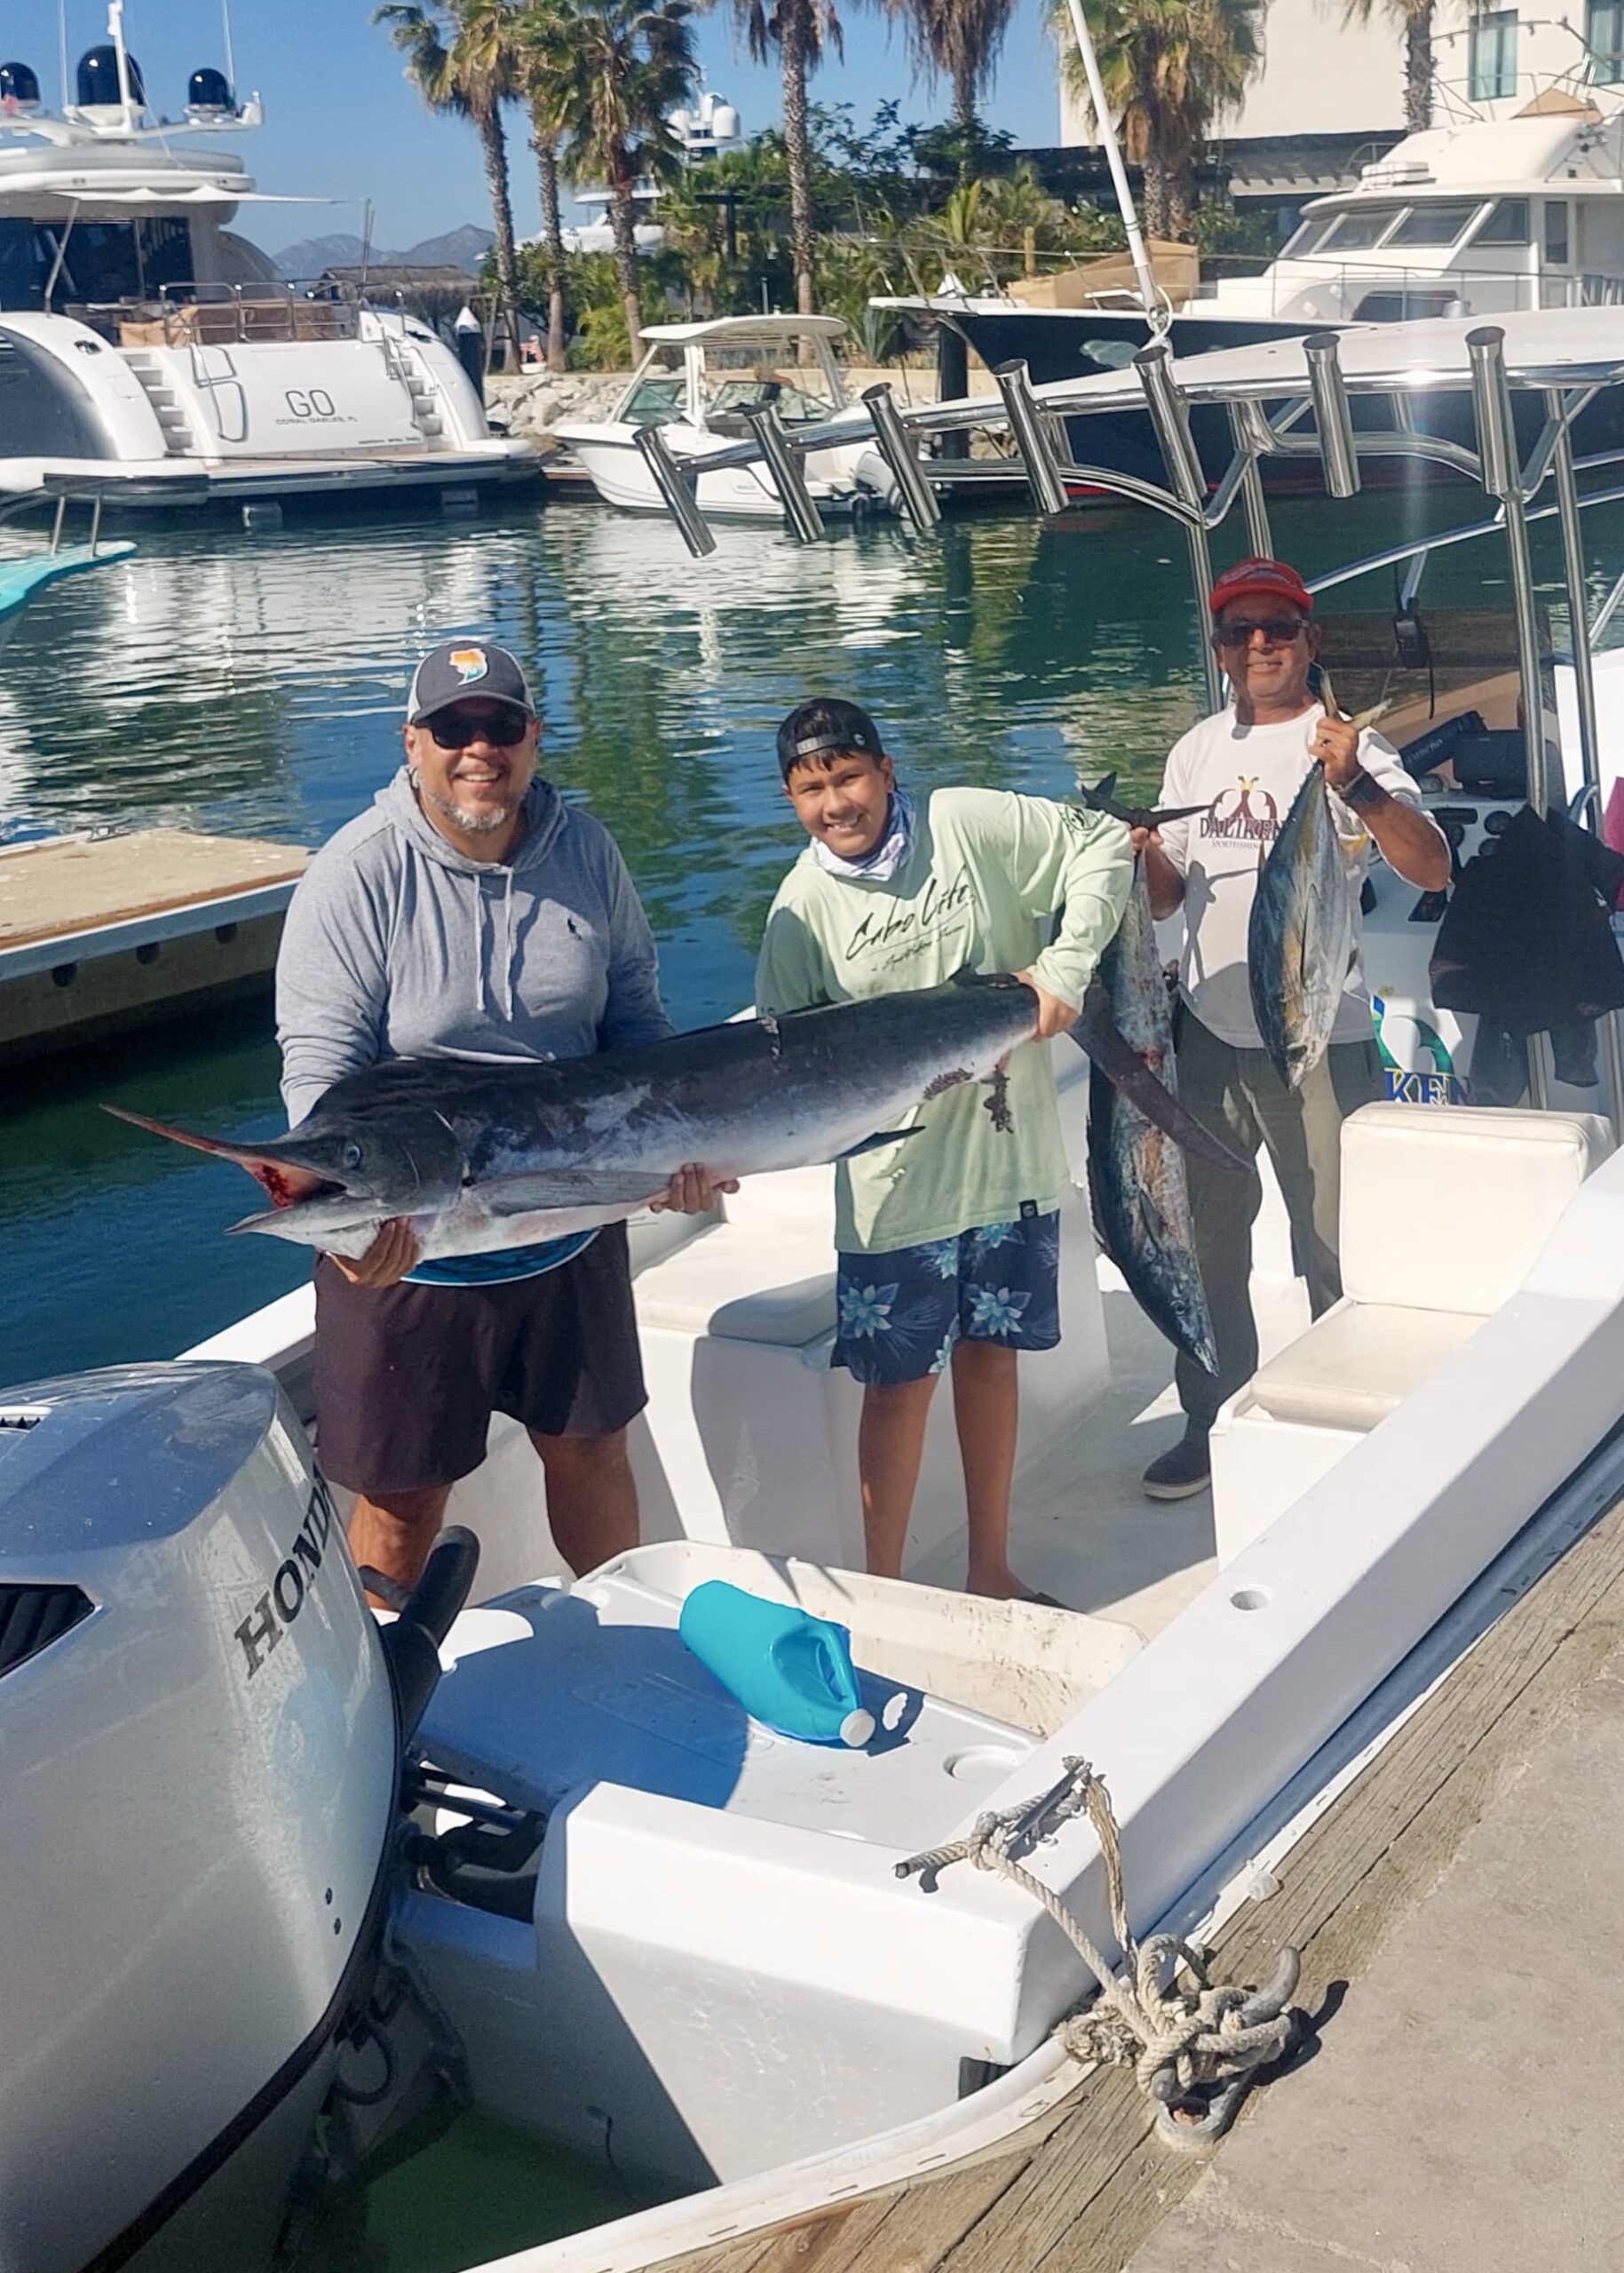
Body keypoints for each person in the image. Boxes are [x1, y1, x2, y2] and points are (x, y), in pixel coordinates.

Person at [275, 638, 725, 1596]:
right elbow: (319, 1081)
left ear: (532, 739)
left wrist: (684, 1152)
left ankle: (635, 1644)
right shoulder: (355, 874)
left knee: (594, 1452)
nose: (478, 748)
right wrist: (354, 1230)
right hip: (412, 1247)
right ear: (411, 743)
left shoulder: (587, 851)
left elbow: (639, 1024)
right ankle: (386, 1721)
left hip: (570, 1225)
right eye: (453, 728)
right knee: (400, 1503)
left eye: (500, 726)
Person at [755, 697, 1133, 1598]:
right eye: (810, 789)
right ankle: (884, 1598)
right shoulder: (795, 913)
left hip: (1008, 1170)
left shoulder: (964, 823)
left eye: (847, 776)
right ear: (790, 799)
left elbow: (1103, 845)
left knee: (989, 1358)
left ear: (886, 771)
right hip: (896, 1196)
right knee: (896, 1390)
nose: (835, 802)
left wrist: (1065, 967)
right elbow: (775, 1081)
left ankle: (988, 1570)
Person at [1135, 557, 1452, 1501]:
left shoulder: (1343, 747)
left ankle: (1347, 1420)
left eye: (1277, 628)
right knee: (1208, 1245)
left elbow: (1431, 870)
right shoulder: (1195, 748)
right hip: (1209, 1038)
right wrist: (1140, 853)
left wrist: (1353, 786)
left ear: (1310, 641)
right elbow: (1166, 899)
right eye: (1239, 632)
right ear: (1220, 649)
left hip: (1318, 1033)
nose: (1259, 645)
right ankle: (1212, 1416)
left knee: (1331, 1240)